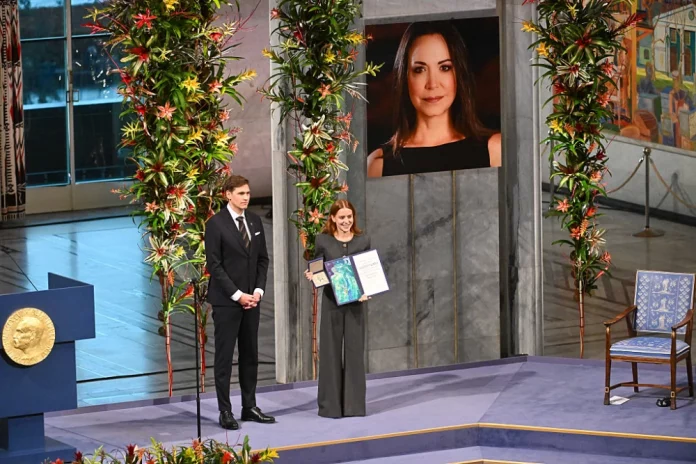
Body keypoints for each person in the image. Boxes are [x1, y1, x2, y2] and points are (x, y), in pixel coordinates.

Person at [367, 21, 501, 177]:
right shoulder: (377, 166)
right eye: (420, 69)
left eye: (444, 68)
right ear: (404, 77)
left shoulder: (495, 150)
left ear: (458, 74)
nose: (432, 84)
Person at [205, 174, 274, 430]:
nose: (246, 197)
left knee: (250, 354)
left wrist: (258, 291)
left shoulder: (254, 221)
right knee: (224, 358)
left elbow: (262, 260)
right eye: (241, 193)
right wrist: (237, 295)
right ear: (228, 194)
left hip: (252, 301)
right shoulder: (215, 224)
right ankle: (225, 410)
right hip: (227, 302)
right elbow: (215, 265)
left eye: (248, 193)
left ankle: (249, 406)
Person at [304, 200, 371, 418]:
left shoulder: (363, 240)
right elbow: (317, 269)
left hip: (356, 305)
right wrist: (313, 275)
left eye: (349, 217)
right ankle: (330, 407)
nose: (346, 221)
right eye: (341, 217)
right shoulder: (323, 240)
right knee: (330, 353)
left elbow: (368, 271)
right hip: (332, 303)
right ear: (333, 218)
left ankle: (354, 407)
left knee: (354, 353)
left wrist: (366, 289)